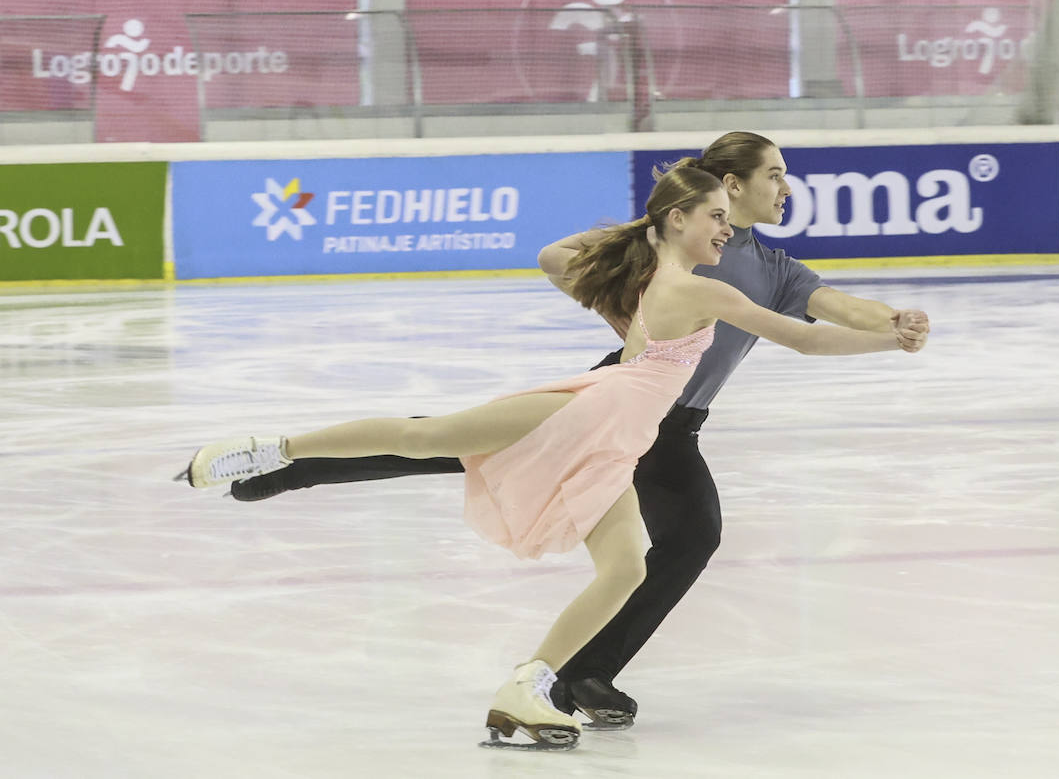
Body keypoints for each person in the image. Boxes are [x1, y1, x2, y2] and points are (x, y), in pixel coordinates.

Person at [179, 164, 919, 751]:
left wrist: (883, 327)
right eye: (715, 216)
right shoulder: (699, 290)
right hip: (595, 411)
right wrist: (889, 340)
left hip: (623, 434)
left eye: (729, 217)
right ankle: (267, 449)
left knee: (625, 569)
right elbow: (804, 338)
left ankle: (528, 687)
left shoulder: (664, 279)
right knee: (432, 438)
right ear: (677, 219)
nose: (727, 228)